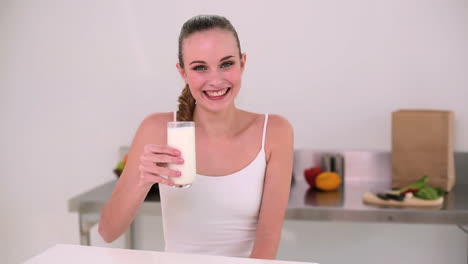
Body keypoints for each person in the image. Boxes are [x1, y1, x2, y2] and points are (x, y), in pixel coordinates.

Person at [98, 15, 293, 260]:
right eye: (200, 67)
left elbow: (268, 240)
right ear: (183, 72)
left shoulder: (275, 132)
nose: (215, 80)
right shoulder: (158, 129)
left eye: (226, 64)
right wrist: (142, 181)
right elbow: (107, 231)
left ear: (242, 63)